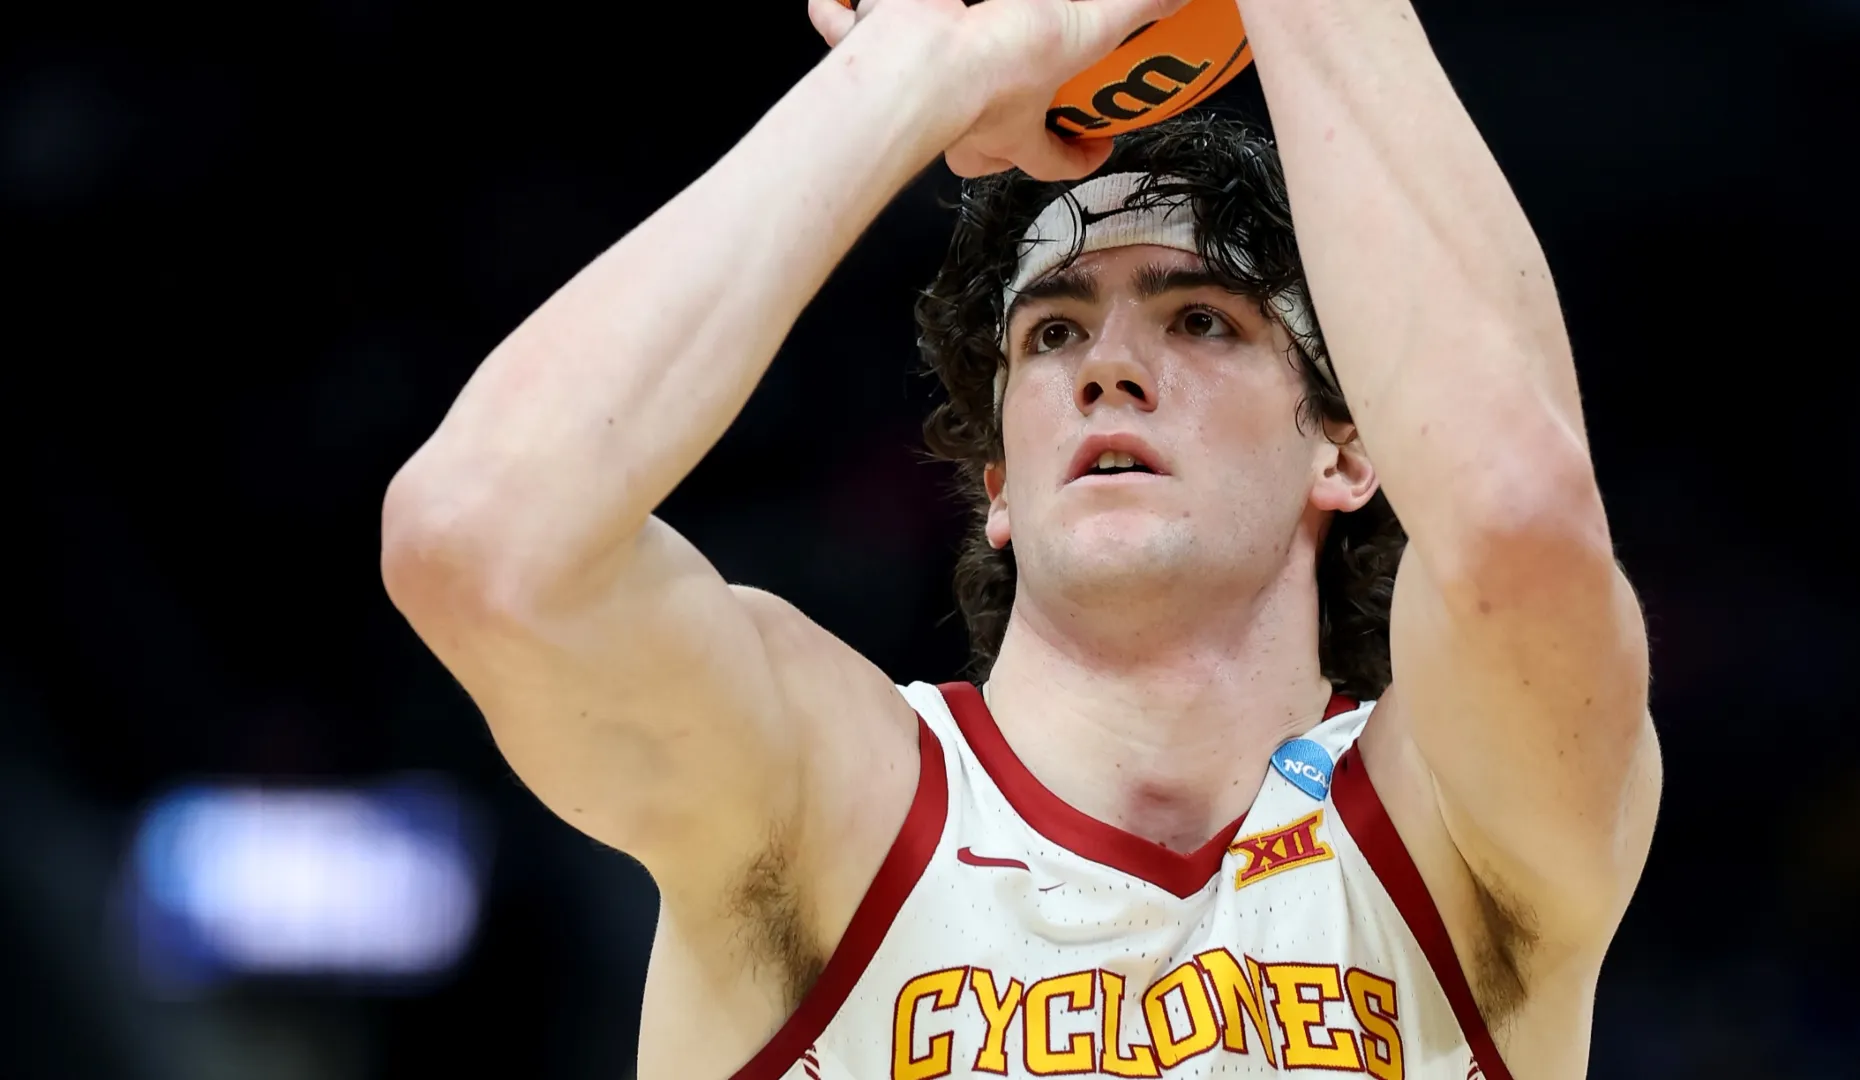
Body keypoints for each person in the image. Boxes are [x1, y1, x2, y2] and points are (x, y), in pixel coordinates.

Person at [380, 0, 1662, 1076]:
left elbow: (1517, 512)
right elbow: (481, 536)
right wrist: (937, 61)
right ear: (997, 481)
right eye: (1051, 333)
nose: (1109, 366)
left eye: (1201, 319)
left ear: (1345, 445)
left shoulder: (1453, 819)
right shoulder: (832, 794)